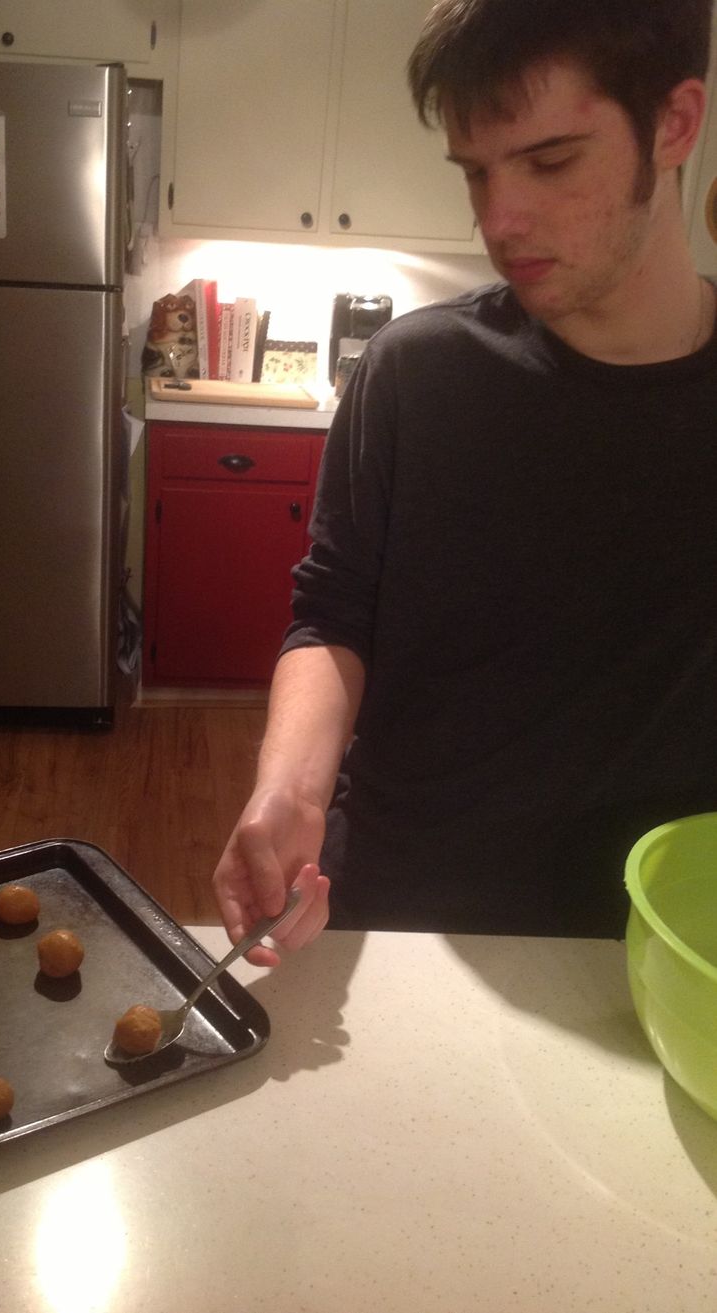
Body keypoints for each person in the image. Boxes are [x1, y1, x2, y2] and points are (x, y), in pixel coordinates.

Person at [213, 0, 717, 966]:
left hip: (656, 942)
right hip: (405, 916)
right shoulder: (415, 374)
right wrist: (290, 791)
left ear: (675, 123)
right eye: (476, 172)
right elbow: (331, 615)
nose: (498, 219)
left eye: (551, 161)